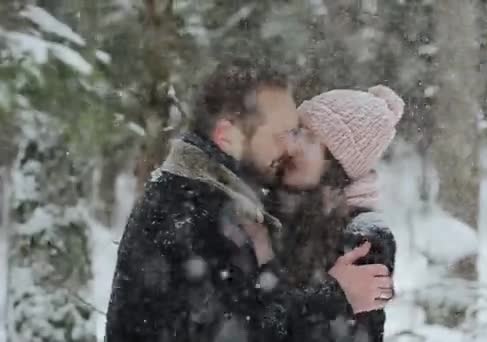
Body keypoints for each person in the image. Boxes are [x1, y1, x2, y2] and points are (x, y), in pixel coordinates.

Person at [105, 59, 392, 342]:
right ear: (227, 136)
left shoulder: (213, 200)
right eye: (284, 134)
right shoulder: (197, 211)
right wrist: (337, 298)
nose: (291, 147)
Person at [266, 85, 404, 342]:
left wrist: (331, 297)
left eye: (306, 137)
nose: (288, 143)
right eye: (294, 130)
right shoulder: (269, 205)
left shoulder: (362, 236)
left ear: (335, 165)